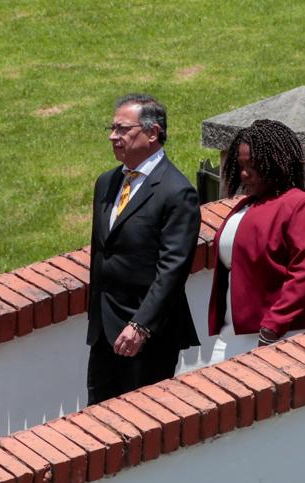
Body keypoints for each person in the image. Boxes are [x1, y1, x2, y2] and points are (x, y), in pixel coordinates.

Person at [86, 94, 201, 405]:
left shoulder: (176, 192)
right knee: (97, 422)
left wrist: (141, 325)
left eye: (123, 129)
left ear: (153, 133)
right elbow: (102, 251)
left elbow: (173, 269)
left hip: (148, 337)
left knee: (140, 426)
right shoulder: (107, 183)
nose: (113, 136)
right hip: (105, 331)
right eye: (112, 128)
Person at [207, 120, 305, 361]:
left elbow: (303, 273)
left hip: (281, 335)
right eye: (240, 165)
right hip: (231, 335)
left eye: (253, 165)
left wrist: (273, 327)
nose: (243, 173)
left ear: (275, 161)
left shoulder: (301, 204)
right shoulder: (244, 206)